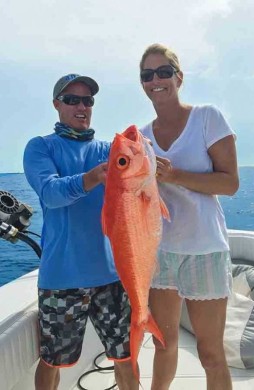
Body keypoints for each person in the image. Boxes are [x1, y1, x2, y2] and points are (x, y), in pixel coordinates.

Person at [23, 73, 139, 390]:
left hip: (112, 276)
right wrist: (90, 178)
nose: (81, 106)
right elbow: (50, 193)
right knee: (52, 362)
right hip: (61, 279)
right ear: (57, 104)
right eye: (72, 99)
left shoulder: (110, 149)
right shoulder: (40, 148)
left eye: (87, 100)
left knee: (126, 357)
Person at [139, 44, 239, 390]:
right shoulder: (140, 138)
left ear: (178, 77)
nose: (156, 80)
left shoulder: (207, 117)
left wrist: (176, 175)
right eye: (147, 75)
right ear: (142, 84)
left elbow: (230, 183)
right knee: (162, 345)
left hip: (205, 250)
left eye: (164, 72)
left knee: (210, 353)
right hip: (161, 254)